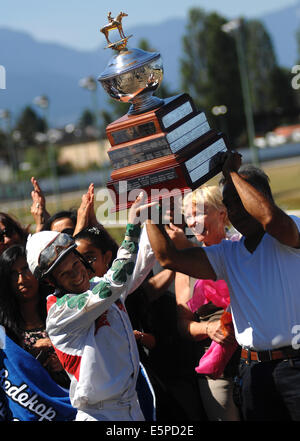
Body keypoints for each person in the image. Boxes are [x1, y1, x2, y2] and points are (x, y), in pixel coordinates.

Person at [145, 151, 300, 421]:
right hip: (253, 371)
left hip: (294, 367)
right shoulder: (228, 252)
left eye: (239, 202)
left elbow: (271, 220)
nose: (233, 212)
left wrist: (230, 174)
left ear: (262, 197)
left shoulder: (291, 230)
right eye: (228, 204)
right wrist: (149, 208)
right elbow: (167, 257)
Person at [25, 194, 156, 421]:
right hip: (99, 415)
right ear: (51, 282)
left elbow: (142, 259)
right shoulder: (61, 312)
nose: (77, 275)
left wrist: (154, 216)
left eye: (75, 264)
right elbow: (116, 280)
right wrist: (132, 225)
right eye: (65, 274)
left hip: (131, 407)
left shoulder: (97, 288)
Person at [173, 186, 240, 421]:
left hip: (255, 359)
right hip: (216, 369)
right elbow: (183, 325)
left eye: (198, 213)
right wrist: (208, 329)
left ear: (222, 213)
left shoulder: (243, 249)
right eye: (188, 216)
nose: (192, 222)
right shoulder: (186, 266)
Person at [0, 245, 75, 421]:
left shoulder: (60, 309)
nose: (21, 279)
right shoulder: (4, 328)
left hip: (68, 403)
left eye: (26, 269)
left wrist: (61, 358)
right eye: (13, 273)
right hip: (25, 409)